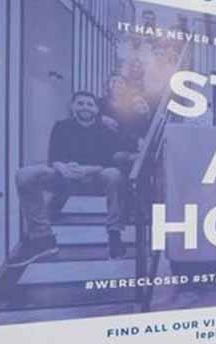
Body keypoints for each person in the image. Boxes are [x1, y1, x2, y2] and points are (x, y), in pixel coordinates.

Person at [11, 91, 131, 266]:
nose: (85, 107)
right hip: (64, 176)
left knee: (114, 174)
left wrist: (85, 170)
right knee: (25, 175)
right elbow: (54, 157)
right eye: (80, 103)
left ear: (97, 109)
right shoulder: (61, 126)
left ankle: (114, 235)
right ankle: (42, 238)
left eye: (90, 104)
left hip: (95, 177)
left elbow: (107, 161)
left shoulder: (106, 131)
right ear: (72, 106)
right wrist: (63, 168)